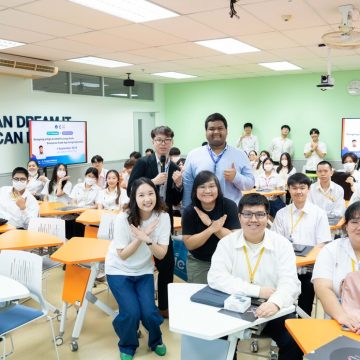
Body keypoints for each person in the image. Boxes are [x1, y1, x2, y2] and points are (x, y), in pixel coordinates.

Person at [208, 193, 303, 360]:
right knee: (214, 337)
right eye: (247, 214)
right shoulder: (227, 243)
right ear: (239, 217)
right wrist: (258, 291)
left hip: (272, 308)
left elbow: (290, 283)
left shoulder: (282, 245)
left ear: (267, 217)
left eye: (260, 214)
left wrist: (275, 302)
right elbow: (216, 277)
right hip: (234, 305)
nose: (253, 219)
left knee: (293, 339)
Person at [105, 178, 170, 360]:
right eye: (141, 195)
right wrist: (140, 237)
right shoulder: (123, 218)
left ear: (156, 195)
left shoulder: (163, 217)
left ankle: (156, 341)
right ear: (134, 197)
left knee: (149, 312)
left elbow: (162, 254)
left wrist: (147, 238)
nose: (147, 199)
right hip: (118, 269)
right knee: (131, 312)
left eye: (151, 193)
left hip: (143, 270)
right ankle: (127, 344)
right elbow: (123, 254)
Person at [127, 125, 183, 318]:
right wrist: (152, 181)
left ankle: (164, 307)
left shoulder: (175, 167)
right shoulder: (144, 162)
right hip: (141, 217)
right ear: (153, 142)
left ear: (172, 143)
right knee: (139, 258)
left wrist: (178, 185)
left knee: (166, 263)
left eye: (167, 140)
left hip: (163, 218)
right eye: (159, 140)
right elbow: (129, 191)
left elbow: (176, 201)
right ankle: (140, 304)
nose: (163, 144)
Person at [272, 173, 332, 316]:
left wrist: (304, 260)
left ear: (308, 189)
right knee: (282, 304)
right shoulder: (282, 213)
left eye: (302, 188)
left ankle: (302, 327)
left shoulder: (319, 214)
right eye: (294, 188)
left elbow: (322, 243)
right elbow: (275, 241)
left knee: (305, 306)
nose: (298, 191)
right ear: (289, 190)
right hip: (286, 268)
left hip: (309, 270)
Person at [183, 113, 254, 208]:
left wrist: (236, 177)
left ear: (227, 130)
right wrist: (186, 212)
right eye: (211, 129)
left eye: (220, 128)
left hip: (231, 212)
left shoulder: (240, 154)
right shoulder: (193, 155)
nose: (216, 132)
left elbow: (250, 184)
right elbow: (188, 187)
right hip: (201, 213)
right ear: (206, 131)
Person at [182, 171, 240, 283]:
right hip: (199, 261)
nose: (207, 191)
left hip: (228, 261)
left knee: (227, 296)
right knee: (199, 296)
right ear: (195, 190)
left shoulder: (229, 206)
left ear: (218, 188)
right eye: (202, 187)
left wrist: (209, 223)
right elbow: (189, 243)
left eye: (212, 186)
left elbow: (235, 239)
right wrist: (212, 228)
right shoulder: (190, 211)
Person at [312, 201, 360, 333]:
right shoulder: (331, 250)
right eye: (354, 222)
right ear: (346, 226)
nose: (359, 227)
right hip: (338, 322)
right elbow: (322, 287)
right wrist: (342, 316)